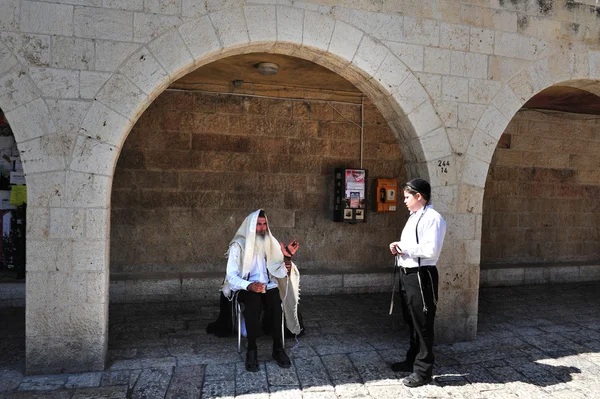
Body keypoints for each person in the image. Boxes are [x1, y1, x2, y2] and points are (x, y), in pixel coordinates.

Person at [222, 209, 301, 372]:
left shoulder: (271, 243)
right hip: (245, 287)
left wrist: (287, 257)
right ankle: (251, 349)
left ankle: (278, 348)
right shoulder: (238, 245)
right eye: (258, 224)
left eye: (265, 224)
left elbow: (281, 271)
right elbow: (231, 277)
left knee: (276, 301)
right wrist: (249, 285)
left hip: (267, 286)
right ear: (251, 226)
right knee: (253, 302)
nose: (263, 228)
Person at [388, 178, 447, 388]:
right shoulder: (413, 217)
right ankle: (412, 359)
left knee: (423, 321)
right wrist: (398, 247)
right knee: (411, 319)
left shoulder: (433, 218)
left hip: (423, 275)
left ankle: (423, 371)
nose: (403, 200)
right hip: (408, 274)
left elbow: (432, 250)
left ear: (418, 196)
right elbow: (412, 245)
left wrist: (404, 249)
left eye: (406, 197)